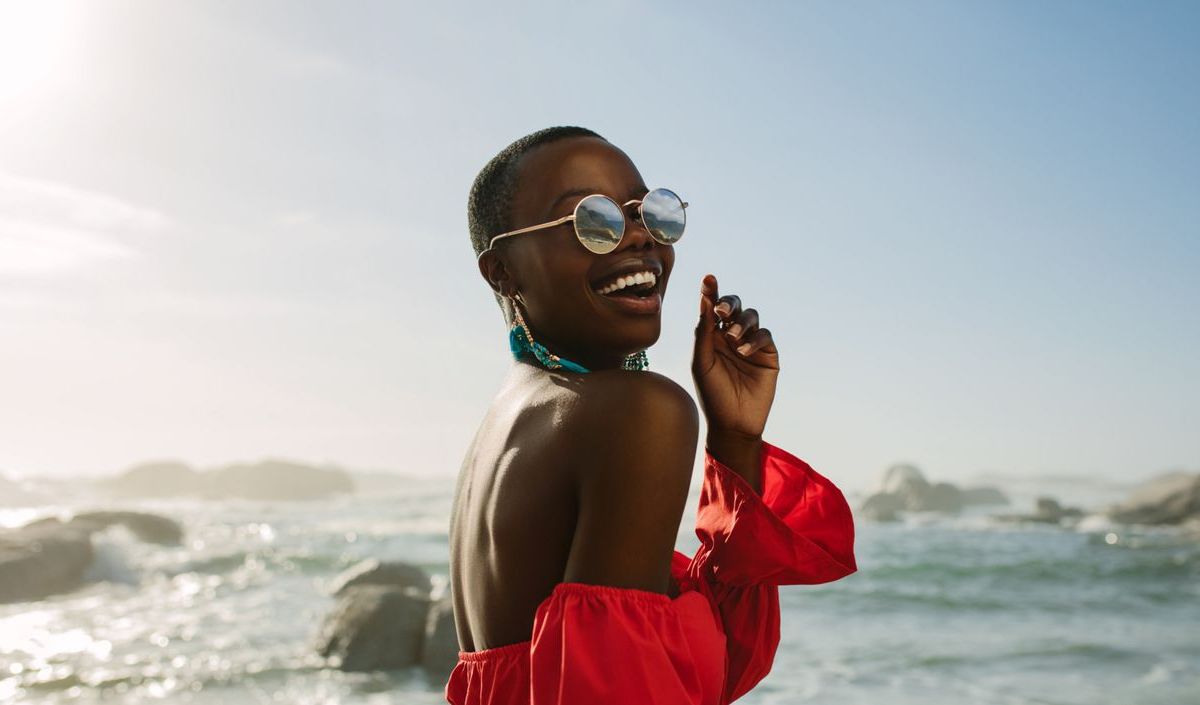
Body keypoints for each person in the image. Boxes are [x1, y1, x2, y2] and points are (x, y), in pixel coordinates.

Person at [445, 126, 857, 705]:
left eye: (651, 213)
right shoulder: (635, 411)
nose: (640, 237)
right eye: (593, 222)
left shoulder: (506, 424)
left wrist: (735, 440)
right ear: (503, 272)